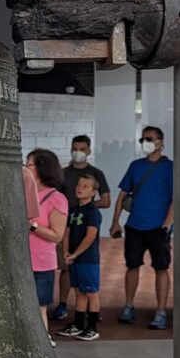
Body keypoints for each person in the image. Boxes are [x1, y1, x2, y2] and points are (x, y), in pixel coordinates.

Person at [110, 126, 174, 329]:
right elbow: (122, 194)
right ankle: (129, 305)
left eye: (150, 138)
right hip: (135, 226)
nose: (145, 142)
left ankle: (161, 311)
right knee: (132, 265)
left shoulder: (170, 167)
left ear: (161, 143)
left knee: (161, 268)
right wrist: (115, 221)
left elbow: (175, 198)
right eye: (143, 139)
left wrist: (166, 225)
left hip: (158, 228)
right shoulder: (135, 166)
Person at [51, 135, 111, 321]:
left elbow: (106, 200)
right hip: (66, 226)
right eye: (75, 148)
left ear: (89, 151)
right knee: (66, 268)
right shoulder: (63, 174)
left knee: (87, 279)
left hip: (82, 227)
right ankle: (62, 305)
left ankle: (92, 314)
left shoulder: (96, 174)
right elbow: (55, 199)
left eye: (82, 149)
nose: (78, 152)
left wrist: (84, 209)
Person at [26, 149, 69, 346]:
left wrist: (32, 225)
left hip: (41, 262)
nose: (26, 168)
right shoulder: (25, 193)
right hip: (23, 260)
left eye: (30, 164)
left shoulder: (56, 198)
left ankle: (42, 341)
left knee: (40, 305)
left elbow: (57, 235)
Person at [56, 175, 102, 341]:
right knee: (79, 291)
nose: (80, 188)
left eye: (85, 186)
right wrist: (66, 251)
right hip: (74, 258)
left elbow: (90, 236)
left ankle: (92, 326)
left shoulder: (93, 212)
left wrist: (76, 253)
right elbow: (67, 233)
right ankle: (78, 324)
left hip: (88, 259)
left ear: (94, 192)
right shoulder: (74, 211)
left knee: (91, 292)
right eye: (78, 185)